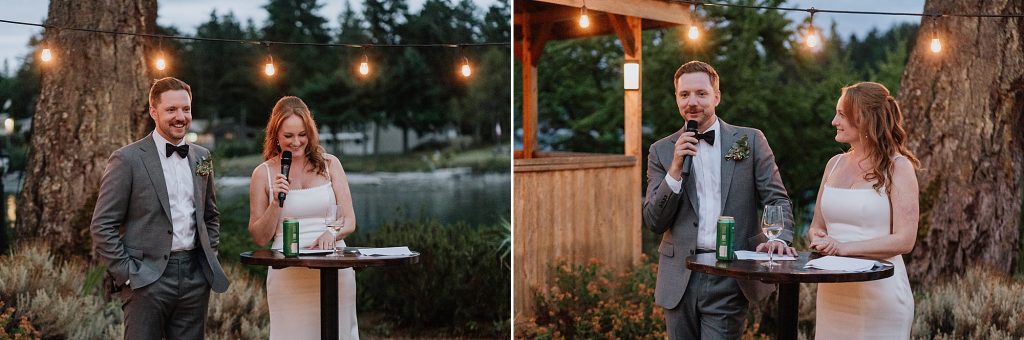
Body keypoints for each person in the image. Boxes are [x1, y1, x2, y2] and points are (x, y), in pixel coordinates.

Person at [643, 60, 796, 339]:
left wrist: (779, 238)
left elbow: (776, 198)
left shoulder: (749, 140)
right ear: (676, 98)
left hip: (730, 273)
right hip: (680, 276)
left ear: (717, 96)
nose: (692, 102)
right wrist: (676, 168)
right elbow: (654, 221)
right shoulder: (661, 151)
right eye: (684, 94)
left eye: (701, 93)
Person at [90, 77, 230, 339]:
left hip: (194, 277)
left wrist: (207, 258)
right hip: (146, 279)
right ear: (153, 112)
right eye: (171, 110)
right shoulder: (127, 159)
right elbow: (102, 225)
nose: (181, 117)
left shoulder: (202, 157)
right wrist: (129, 274)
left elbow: (210, 215)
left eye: (186, 109)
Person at [808, 82, 919, 339]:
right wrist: (818, 238)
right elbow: (817, 225)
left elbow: (904, 239)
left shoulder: (898, 167)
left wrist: (843, 249)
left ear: (865, 119)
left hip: (880, 294)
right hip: (833, 294)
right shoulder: (833, 164)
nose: (834, 121)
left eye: (842, 115)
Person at [247, 96, 359, 339]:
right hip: (287, 272)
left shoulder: (331, 165)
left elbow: (349, 220)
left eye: (302, 135)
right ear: (275, 134)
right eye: (288, 136)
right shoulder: (262, 174)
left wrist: (332, 233)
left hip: (334, 267)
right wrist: (276, 202)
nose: (296, 142)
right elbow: (259, 237)